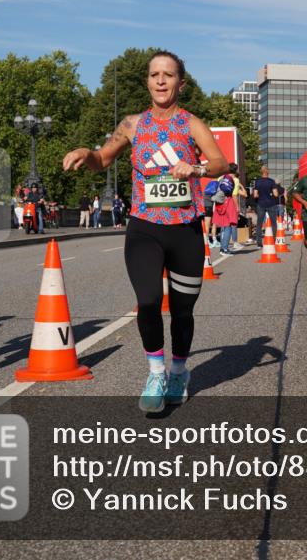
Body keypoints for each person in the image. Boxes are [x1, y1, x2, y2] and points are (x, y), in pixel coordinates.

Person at [62, 50, 227, 412]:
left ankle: (179, 371)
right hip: (145, 229)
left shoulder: (191, 123)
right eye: (155, 75)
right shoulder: (133, 124)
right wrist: (84, 153)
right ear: (148, 82)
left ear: (181, 83)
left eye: (168, 75)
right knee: (149, 302)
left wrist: (196, 169)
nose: (161, 80)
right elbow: (103, 158)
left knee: (183, 311)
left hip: (184, 229)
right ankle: (155, 372)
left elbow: (220, 163)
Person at [213, 166, 240, 254]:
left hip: (219, 202)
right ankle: (224, 249)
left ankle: (222, 247)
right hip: (228, 202)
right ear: (235, 170)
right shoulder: (234, 180)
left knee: (223, 226)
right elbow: (234, 195)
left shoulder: (221, 178)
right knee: (228, 226)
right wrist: (237, 207)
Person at [252, 165, 280, 247]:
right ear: (268, 172)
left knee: (259, 223)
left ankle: (259, 243)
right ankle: (274, 240)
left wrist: (260, 195)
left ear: (261, 172)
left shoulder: (257, 181)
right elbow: (275, 194)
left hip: (261, 204)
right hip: (271, 203)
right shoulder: (271, 181)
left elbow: (255, 195)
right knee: (273, 223)